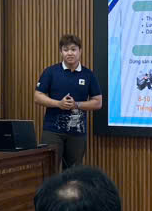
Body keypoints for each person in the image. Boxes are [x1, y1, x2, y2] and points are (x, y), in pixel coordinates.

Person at [33, 34, 101, 169]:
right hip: (52, 131)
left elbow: (98, 102)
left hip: (77, 133)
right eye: (66, 50)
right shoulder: (50, 72)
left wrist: (77, 105)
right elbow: (37, 96)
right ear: (61, 52)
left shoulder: (88, 75)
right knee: (48, 169)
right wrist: (58, 104)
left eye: (73, 49)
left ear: (80, 51)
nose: (70, 53)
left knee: (73, 173)